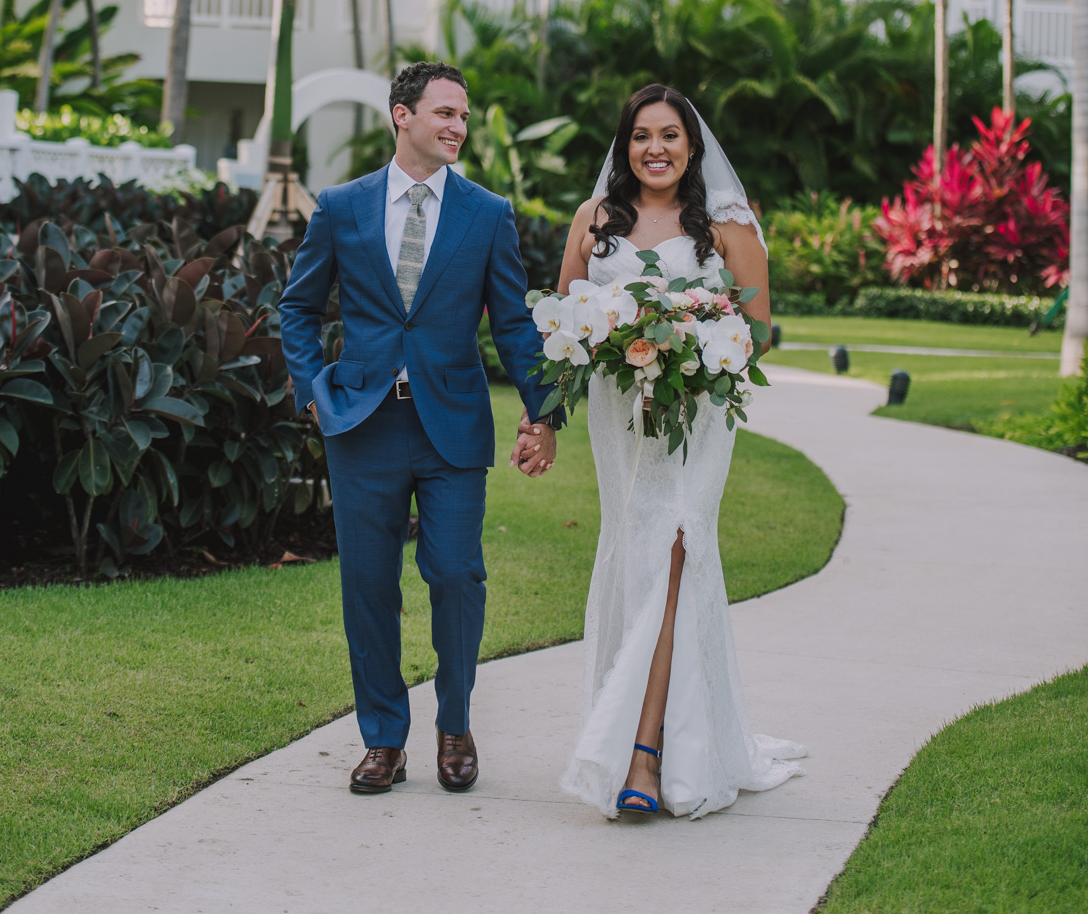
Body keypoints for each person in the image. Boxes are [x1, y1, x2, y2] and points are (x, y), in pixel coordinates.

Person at [279, 61, 559, 797]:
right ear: (401, 116)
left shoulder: (487, 213)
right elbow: (298, 308)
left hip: (452, 424)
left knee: (457, 574)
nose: (457, 127)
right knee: (368, 586)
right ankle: (383, 740)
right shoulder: (341, 207)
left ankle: (456, 724)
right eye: (444, 113)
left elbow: (514, 323)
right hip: (362, 425)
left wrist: (544, 410)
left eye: (463, 116)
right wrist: (313, 389)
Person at [555, 83, 805, 819]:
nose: (654, 149)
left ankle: (643, 754)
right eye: (641, 135)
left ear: (692, 147)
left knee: (674, 548)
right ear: (624, 145)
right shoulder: (593, 220)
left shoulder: (727, 228)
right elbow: (564, 321)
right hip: (619, 421)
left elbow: (756, 332)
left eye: (669, 135)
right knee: (635, 555)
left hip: (694, 419)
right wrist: (596, 359)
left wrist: (688, 340)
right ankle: (660, 733)